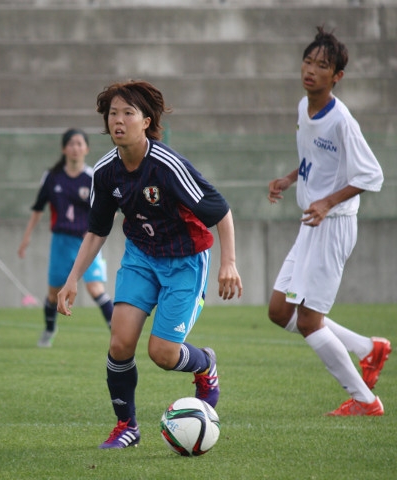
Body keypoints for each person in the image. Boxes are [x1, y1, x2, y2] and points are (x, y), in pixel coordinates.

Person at [56, 80, 243, 448]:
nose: (118, 120)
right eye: (113, 114)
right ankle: (127, 426)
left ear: (147, 121)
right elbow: (96, 231)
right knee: (120, 344)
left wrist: (229, 263)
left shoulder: (167, 165)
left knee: (162, 353)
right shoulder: (106, 171)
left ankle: (205, 363)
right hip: (141, 258)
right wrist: (72, 279)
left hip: (186, 262)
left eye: (128, 113)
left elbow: (220, 210)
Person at [266, 27, 391, 416]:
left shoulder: (342, 121)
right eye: (308, 61)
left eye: (323, 66)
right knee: (279, 311)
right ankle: (370, 350)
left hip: (333, 226)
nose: (311, 70)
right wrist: (290, 179)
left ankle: (365, 401)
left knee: (308, 321)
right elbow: (314, 160)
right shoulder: (304, 108)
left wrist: (327, 203)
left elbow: (372, 175)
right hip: (310, 225)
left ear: (337, 77)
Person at [18, 128, 114, 347]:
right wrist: (26, 238)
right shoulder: (52, 177)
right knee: (53, 294)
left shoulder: (93, 178)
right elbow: (38, 208)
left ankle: (117, 333)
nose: (75, 148)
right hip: (60, 242)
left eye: (80, 144)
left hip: (87, 242)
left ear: (86, 149)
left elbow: (107, 209)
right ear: (64, 149)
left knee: (96, 289)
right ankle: (50, 329)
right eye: (71, 144)